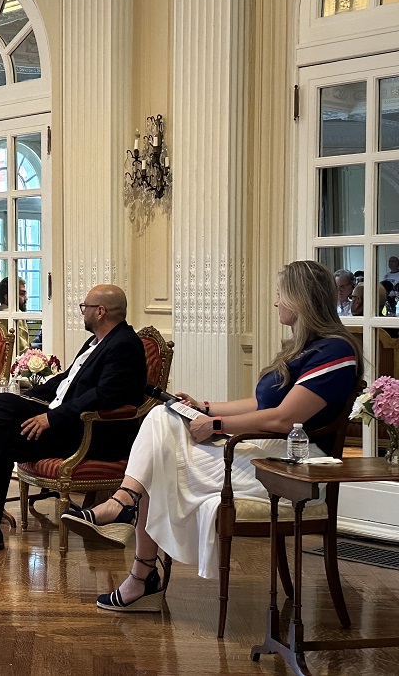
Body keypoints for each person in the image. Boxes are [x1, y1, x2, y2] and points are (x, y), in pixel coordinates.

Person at [61, 261, 361, 613]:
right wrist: (204, 406)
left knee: (157, 458)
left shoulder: (335, 352)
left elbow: (284, 418)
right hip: (264, 449)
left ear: (301, 299)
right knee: (163, 416)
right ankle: (128, 521)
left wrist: (216, 425)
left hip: (289, 466)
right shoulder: (304, 348)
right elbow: (261, 402)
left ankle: (134, 546)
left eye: (281, 295)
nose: (276, 303)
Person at [0, 284, 146, 551]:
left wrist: (51, 418)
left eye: (85, 308)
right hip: (68, 421)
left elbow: (104, 395)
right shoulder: (96, 342)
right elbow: (66, 381)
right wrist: (27, 396)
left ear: (100, 311)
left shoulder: (124, 345)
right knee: (1, 421)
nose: (83, 313)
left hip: (90, 432)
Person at [0, 276, 31, 355]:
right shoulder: (18, 316)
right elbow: (23, 351)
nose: (26, 298)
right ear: (7, 297)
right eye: (22, 294)